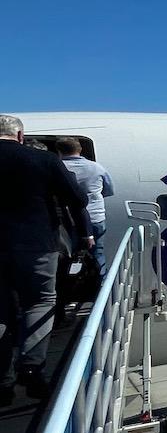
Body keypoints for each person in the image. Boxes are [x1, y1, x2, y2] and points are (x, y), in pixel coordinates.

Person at [0, 115, 93, 402]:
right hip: (36, 243)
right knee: (40, 301)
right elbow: (77, 198)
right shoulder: (42, 160)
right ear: (19, 136)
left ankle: (3, 383)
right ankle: (31, 367)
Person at [57, 137, 114, 275]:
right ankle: (99, 285)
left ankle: (73, 286)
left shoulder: (58, 168)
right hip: (96, 217)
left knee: (70, 255)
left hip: (69, 220)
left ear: (59, 151)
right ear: (80, 149)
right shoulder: (97, 168)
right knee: (98, 254)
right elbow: (108, 191)